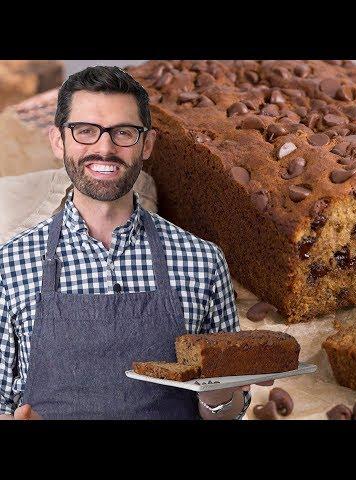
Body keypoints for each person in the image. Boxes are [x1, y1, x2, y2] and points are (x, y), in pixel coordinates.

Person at [0, 66, 268, 420]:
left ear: (147, 144)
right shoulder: (10, 264)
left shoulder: (203, 261)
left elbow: (229, 412)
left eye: (123, 132)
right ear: (57, 140)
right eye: (85, 132)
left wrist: (219, 398)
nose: (105, 148)